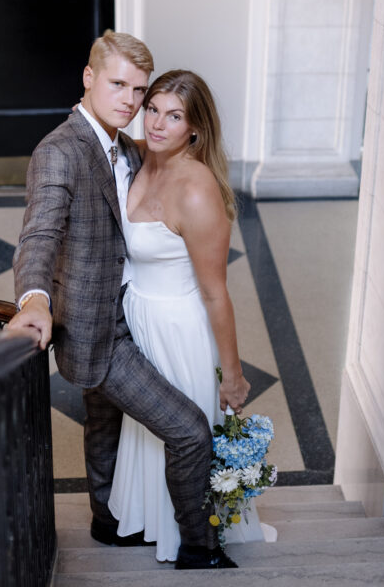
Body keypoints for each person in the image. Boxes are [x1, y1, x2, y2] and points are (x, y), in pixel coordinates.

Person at [7, 32, 245, 570]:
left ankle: (107, 522)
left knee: (106, 423)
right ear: (89, 79)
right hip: (99, 327)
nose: (133, 103)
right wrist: (35, 300)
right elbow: (39, 235)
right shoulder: (60, 152)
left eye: (140, 90)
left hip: (142, 317)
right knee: (186, 430)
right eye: (120, 85)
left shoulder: (130, 148)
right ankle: (199, 550)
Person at [107, 69, 261, 562]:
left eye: (174, 116)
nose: (156, 123)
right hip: (140, 321)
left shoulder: (196, 190)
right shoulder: (140, 158)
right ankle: (152, 519)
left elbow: (217, 294)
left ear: (193, 129)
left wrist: (232, 377)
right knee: (152, 432)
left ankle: (192, 537)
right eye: (152, 108)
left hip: (179, 330)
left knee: (181, 434)